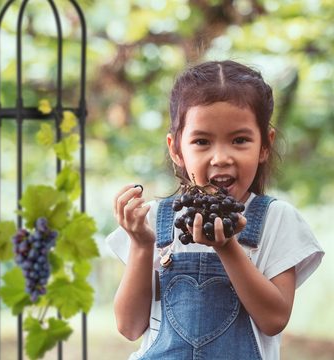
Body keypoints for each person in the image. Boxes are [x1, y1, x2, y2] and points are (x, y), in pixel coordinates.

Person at [106, 60, 324, 360]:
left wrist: (227, 248)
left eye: (239, 140)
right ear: (176, 149)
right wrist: (142, 245)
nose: (221, 157)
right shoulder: (155, 220)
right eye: (202, 141)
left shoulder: (277, 220)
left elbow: (274, 320)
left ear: (265, 145)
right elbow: (130, 327)